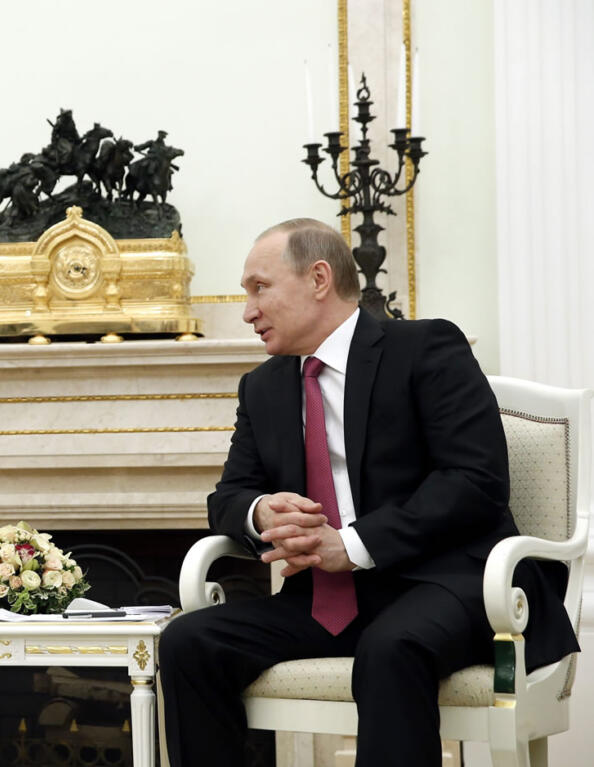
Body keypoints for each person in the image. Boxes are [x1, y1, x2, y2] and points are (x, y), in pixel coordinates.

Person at [159, 218, 578, 766]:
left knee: (389, 647)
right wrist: (262, 512)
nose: (247, 311)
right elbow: (229, 496)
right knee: (189, 642)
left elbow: (475, 481)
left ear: (318, 278)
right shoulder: (262, 387)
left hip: (453, 583)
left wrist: (352, 545)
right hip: (326, 603)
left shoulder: (426, 347)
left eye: (259, 287)